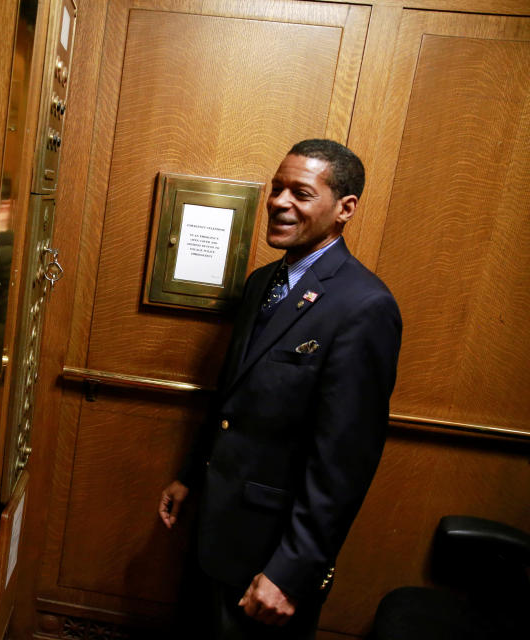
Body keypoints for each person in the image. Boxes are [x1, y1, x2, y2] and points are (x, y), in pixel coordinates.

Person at [159, 139, 402, 638]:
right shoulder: (262, 282)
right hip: (217, 531)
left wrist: (290, 573)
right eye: (276, 188)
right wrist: (191, 475)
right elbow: (233, 395)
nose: (279, 202)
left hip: (272, 558)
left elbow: (344, 463)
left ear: (344, 209)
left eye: (301, 193)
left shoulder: (364, 305)